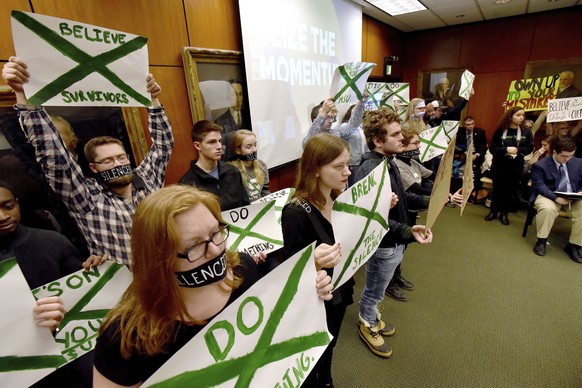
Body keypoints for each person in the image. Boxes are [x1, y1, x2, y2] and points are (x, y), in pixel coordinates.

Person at [93, 184, 334, 386]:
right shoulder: (124, 335)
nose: (216, 250)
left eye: (215, 232)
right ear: (158, 259)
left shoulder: (244, 268)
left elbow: (271, 326)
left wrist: (306, 292)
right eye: (193, 246)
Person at [2, 56, 174, 266]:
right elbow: (56, 158)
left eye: (121, 157)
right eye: (108, 161)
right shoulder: (86, 197)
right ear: (93, 167)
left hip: (171, 272)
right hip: (129, 286)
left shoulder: (147, 179)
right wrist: (24, 95)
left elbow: (163, 145)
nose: (117, 164)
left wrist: (153, 100)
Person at [0, 181, 105, 387]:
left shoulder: (53, 242)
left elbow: (83, 299)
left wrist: (95, 271)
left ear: (17, 203)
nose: (2, 217)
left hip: (72, 362)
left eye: (8, 206)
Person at [355, 108, 433, 358]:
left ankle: (371, 317)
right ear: (378, 140)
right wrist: (408, 232)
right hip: (384, 243)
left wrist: (434, 200)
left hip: (396, 239)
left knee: (380, 285)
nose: (403, 138)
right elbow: (374, 220)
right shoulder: (370, 169)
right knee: (375, 289)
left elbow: (405, 198)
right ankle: (367, 323)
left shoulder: (389, 162)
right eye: (396, 134)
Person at [281, 133, 353, 387]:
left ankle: (327, 379)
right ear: (315, 170)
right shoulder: (296, 213)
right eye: (338, 167)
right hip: (316, 302)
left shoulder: (340, 198)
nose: (347, 172)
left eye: (347, 164)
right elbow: (289, 270)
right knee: (313, 353)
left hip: (340, 291)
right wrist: (312, 261)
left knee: (331, 344)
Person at [530, 138, 582, 262]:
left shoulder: (578, 162)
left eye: (571, 155)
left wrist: (580, 191)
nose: (568, 159)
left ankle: (574, 246)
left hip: (573, 197)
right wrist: (556, 198)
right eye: (564, 156)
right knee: (547, 209)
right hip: (550, 195)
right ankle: (541, 241)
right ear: (555, 152)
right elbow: (539, 186)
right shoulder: (540, 165)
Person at [179, 120, 250, 210]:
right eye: (212, 142)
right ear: (198, 146)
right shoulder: (186, 184)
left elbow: (246, 206)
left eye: (219, 141)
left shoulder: (232, 171)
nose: (219, 146)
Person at [485, 106, 533, 225]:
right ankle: (493, 211)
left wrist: (517, 150)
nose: (521, 117)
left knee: (509, 191)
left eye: (523, 115)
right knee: (497, 189)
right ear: (510, 116)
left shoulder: (526, 132)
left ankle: (504, 214)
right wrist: (506, 149)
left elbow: (529, 148)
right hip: (499, 165)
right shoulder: (500, 130)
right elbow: (492, 148)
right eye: (518, 115)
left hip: (516, 166)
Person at [302, 92, 367, 148]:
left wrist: (361, 103)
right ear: (315, 121)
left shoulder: (335, 133)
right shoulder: (310, 139)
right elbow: (308, 142)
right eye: (327, 117)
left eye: (332, 117)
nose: (331, 121)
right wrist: (323, 112)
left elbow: (352, 126)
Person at [229, 129, 270, 202]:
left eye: (255, 145)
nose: (254, 150)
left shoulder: (262, 165)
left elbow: (265, 191)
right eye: (249, 147)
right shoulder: (231, 170)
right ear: (238, 150)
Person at [454, 116, 488, 194]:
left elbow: (484, 146)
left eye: (472, 124)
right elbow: (456, 145)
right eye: (468, 124)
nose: (470, 126)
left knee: (476, 171)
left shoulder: (480, 132)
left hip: (476, 155)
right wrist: (464, 153)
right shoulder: (459, 132)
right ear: (464, 125)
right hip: (463, 154)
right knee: (458, 169)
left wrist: (477, 155)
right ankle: (459, 190)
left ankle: (472, 192)